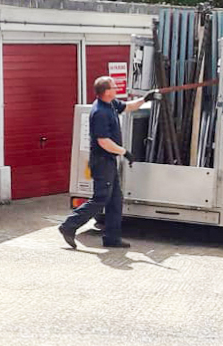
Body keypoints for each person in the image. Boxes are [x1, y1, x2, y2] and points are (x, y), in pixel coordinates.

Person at [59, 76, 154, 249]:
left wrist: (145, 99)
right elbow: (103, 141)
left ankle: (112, 238)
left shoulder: (110, 104)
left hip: (109, 161)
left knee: (115, 200)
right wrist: (125, 152)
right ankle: (69, 225)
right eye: (113, 86)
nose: (116, 88)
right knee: (101, 199)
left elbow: (128, 107)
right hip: (102, 162)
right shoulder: (100, 112)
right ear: (106, 91)